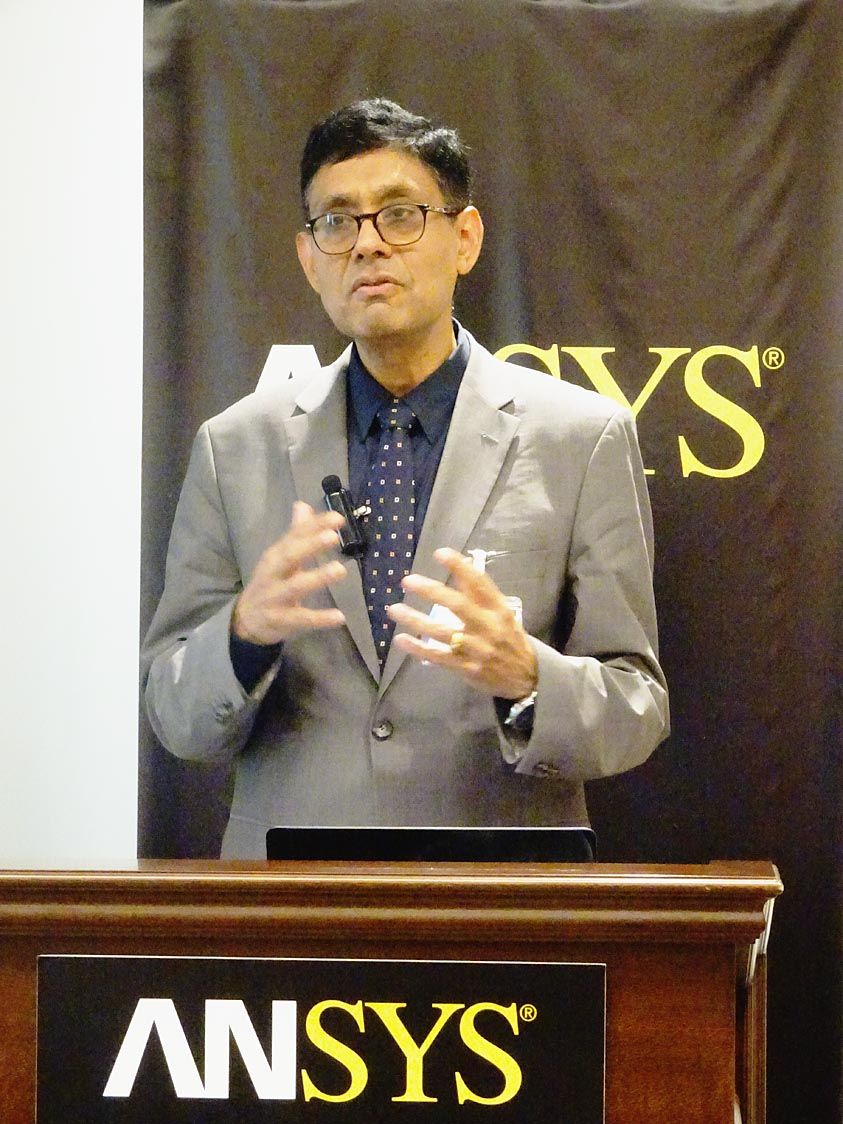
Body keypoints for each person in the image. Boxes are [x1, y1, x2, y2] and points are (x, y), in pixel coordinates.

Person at [141, 98, 669, 859]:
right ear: (308, 257)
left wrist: (528, 676)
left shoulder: (580, 439)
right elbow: (174, 716)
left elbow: (636, 708)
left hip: (503, 897)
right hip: (290, 899)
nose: (366, 245)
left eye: (399, 215)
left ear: (465, 238)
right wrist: (242, 636)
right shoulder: (235, 447)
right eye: (337, 221)